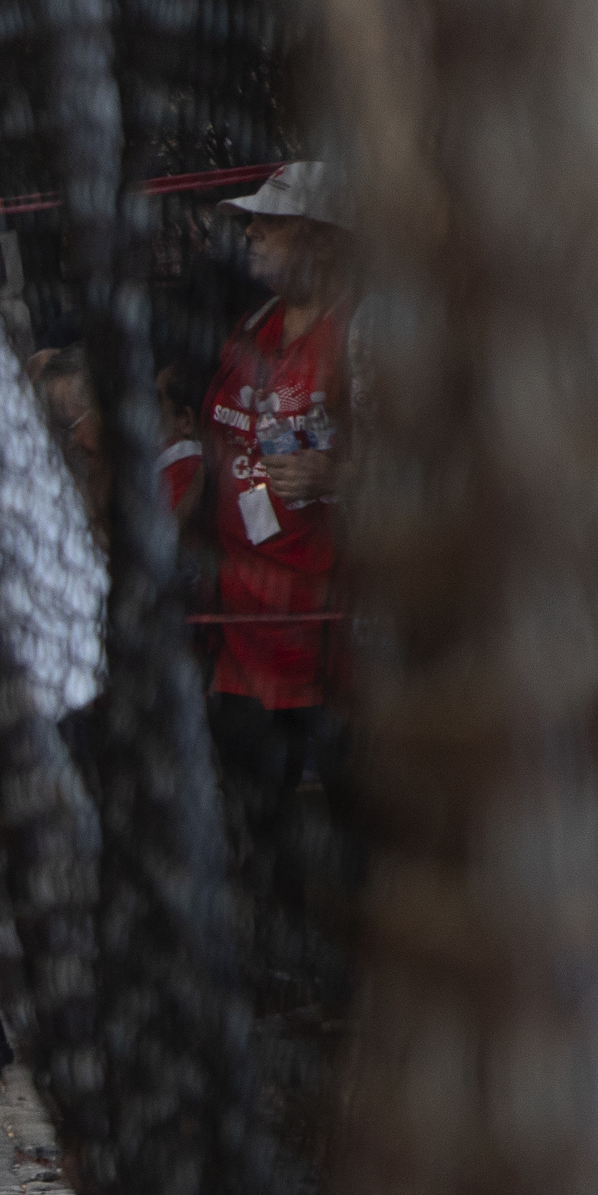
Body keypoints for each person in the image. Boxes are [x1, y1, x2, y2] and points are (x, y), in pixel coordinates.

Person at [173, 162, 353, 962]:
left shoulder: (369, 334)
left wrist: (337, 477)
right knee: (259, 824)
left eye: (268, 223)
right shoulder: (249, 334)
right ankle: (283, 978)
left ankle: (355, 984)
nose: (250, 234)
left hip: (338, 635)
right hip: (241, 635)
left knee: (360, 821)